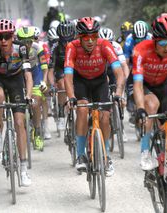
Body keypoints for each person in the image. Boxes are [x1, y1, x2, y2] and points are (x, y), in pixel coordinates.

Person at [64, 17, 125, 177]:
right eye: (86, 37)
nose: (90, 41)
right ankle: (80, 155)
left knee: (105, 116)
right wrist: (71, 97)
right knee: (82, 110)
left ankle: (106, 156)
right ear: (79, 37)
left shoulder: (105, 45)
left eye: (94, 36)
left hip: (99, 82)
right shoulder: (72, 47)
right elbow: (68, 77)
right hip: (81, 81)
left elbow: (119, 72)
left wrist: (118, 93)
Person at [0, 19, 33, 186]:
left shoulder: (21, 48)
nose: (3, 40)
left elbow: (28, 74)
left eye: (6, 36)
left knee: (20, 123)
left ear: (12, 37)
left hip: (16, 81)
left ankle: (24, 170)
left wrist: (28, 94)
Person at [133, 13, 167, 170]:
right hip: (145, 86)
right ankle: (145, 152)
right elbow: (138, 84)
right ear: (154, 39)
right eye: (163, 43)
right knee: (151, 105)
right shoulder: (141, 50)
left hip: (163, 85)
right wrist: (140, 108)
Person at [17, 26, 49, 150]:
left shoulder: (38, 48)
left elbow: (44, 68)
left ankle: (38, 133)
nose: (27, 45)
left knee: (35, 103)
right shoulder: (14, 49)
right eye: (23, 42)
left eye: (29, 41)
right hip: (20, 75)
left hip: (35, 74)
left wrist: (44, 82)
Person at [98, 27, 129, 142]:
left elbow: (124, 65)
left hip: (113, 69)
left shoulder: (116, 46)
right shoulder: (96, 48)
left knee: (119, 98)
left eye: (109, 42)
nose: (107, 45)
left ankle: (121, 127)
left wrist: (125, 79)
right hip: (102, 70)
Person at [124, 20, 153, 126]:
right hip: (134, 64)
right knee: (129, 83)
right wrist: (127, 75)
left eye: (142, 39)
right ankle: (132, 107)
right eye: (138, 39)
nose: (140, 41)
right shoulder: (129, 41)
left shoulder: (151, 38)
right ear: (134, 36)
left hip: (148, 64)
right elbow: (126, 63)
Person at [48, 20, 75, 132]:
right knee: (62, 85)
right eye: (64, 40)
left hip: (75, 67)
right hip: (61, 69)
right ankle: (61, 114)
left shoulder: (78, 44)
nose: (67, 43)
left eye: (69, 39)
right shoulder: (55, 47)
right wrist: (52, 85)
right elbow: (50, 70)